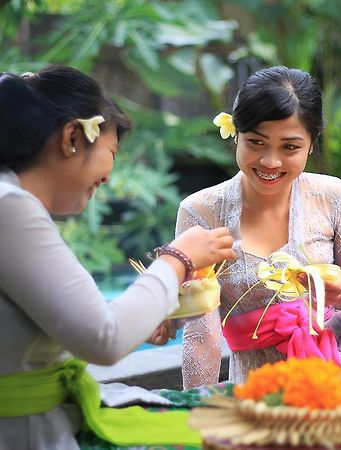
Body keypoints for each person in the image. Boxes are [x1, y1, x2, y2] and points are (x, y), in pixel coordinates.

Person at [0, 66, 235, 449]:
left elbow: (79, 324)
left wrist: (146, 318)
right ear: (73, 137)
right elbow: (103, 339)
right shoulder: (10, 210)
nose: (108, 175)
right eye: (110, 152)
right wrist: (179, 258)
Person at [176, 65, 341, 390]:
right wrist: (194, 417)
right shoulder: (200, 212)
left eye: (290, 147)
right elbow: (200, 334)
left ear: (312, 142)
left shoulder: (332, 196)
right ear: (236, 133)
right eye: (256, 142)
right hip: (264, 391)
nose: (270, 161)